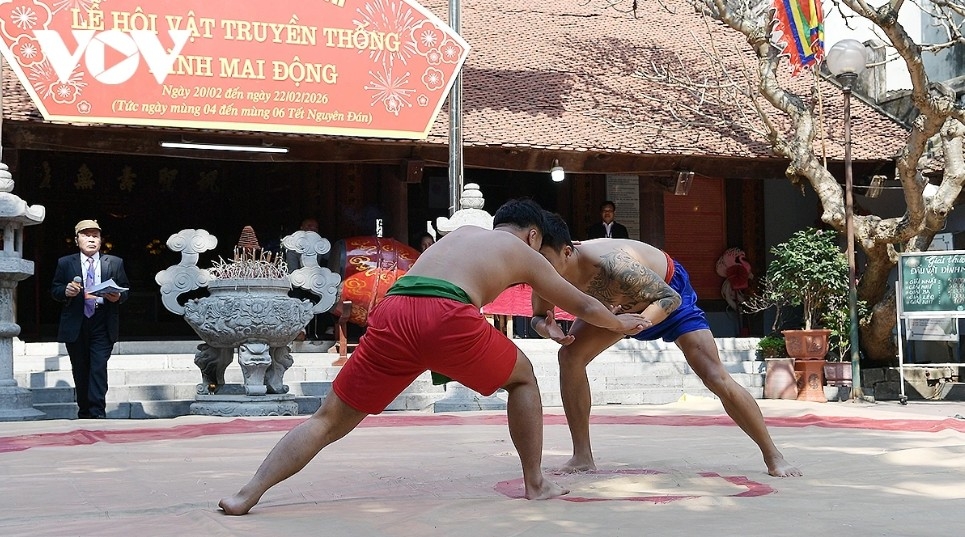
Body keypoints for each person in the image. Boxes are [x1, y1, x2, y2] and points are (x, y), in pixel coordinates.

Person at [219, 199, 648, 515]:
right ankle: (536, 484)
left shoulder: (459, 236)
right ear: (534, 235)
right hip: (446, 315)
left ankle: (248, 493)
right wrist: (622, 324)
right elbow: (586, 306)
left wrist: (544, 322)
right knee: (523, 378)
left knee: (328, 419)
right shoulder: (523, 251)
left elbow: (532, 306)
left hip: (394, 310)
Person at [532, 211, 802, 478]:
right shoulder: (544, 273)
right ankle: (582, 456)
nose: (539, 267)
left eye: (544, 259)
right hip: (616, 311)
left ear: (567, 251)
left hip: (669, 296)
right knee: (569, 357)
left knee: (714, 375)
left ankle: (773, 455)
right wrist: (549, 329)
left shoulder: (611, 261)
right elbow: (539, 317)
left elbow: (668, 298)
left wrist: (630, 323)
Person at [51, 219, 129, 419]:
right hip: (76, 322)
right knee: (80, 369)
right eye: (86, 235)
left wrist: (118, 296)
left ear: (101, 240)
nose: (92, 240)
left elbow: (126, 290)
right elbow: (55, 289)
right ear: (77, 239)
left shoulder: (114, 262)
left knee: (98, 367)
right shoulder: (65, 262)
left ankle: (97, 412)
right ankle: (84, 411)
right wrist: (65, 291)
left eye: (96, 236)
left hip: (102, 322)